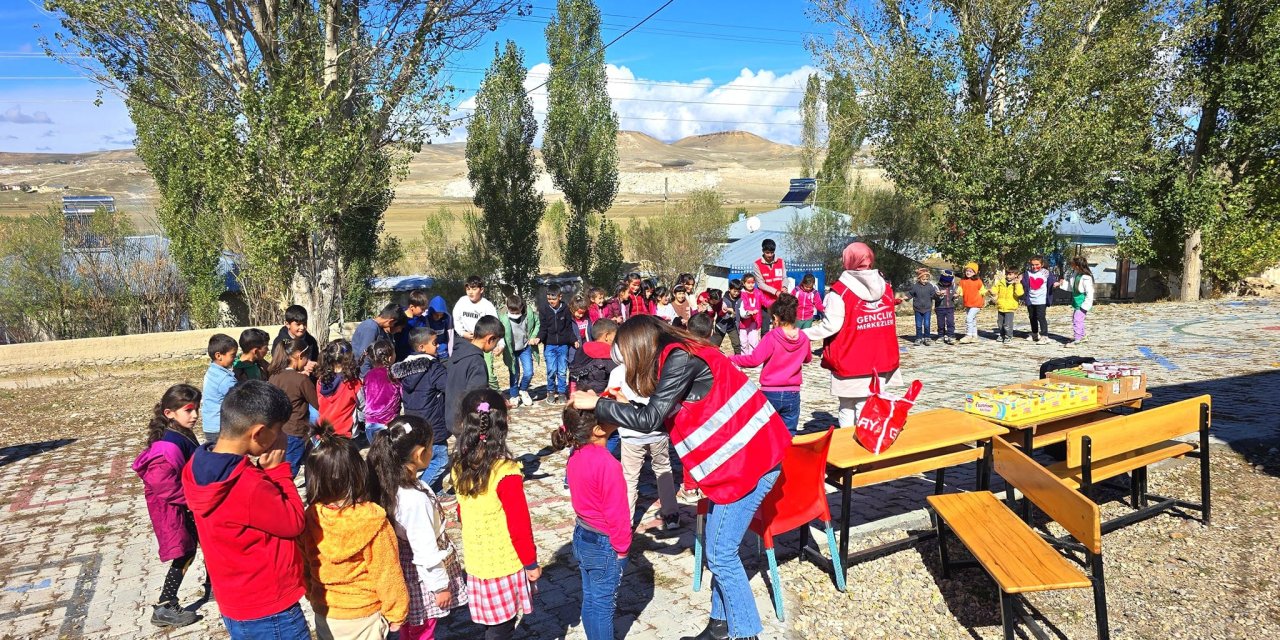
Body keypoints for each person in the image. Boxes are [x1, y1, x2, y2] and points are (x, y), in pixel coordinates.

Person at [569, 316, 790, 640]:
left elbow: (649, 420)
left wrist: (599, 404)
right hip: (736, 464)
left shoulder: (679, 358)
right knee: (718, 546)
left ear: (640, 348)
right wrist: (625, 404)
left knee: (720, 553)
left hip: (750, 463)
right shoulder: (674, 356)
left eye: (628, 359)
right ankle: (719, 626)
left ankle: (745, 633)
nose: (629, 368)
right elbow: (665, 420)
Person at [182, 381, 309, 640]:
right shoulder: (247, 484)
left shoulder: (197, 464)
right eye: (278, 431)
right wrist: (278, 471)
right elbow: (294, 522)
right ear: (259, 433)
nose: (281, 437)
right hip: (271, 608)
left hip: (236, 602)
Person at [301, 426, 408, 640]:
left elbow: (304, 563)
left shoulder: (310, 517)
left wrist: (311, 594)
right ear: (359, 473)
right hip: (365, 615)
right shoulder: (372, 519)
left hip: (327, 613)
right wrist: (397, 613)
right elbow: (387, 573)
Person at [367, 416, 469, 640]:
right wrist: (440, 586)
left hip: (406, 567)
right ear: (420, 453)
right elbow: (424, 549)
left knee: (412, 628)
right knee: (422, 630)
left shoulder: (389, 483)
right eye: (432, 446)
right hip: (420, 576)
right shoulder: (413, 499)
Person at [452, 389, 540, 640]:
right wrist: (531, 563)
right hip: (504, 563)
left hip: (477, 562)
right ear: (502, 424)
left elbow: (461, 510)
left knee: (492, 623)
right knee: (502, 628)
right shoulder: (506, 472)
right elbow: (519, 524)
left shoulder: (460, 464)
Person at [550, 407, 630, 640]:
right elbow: (618, 514)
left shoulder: (576, 454)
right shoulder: (608, 465)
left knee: (590, 598)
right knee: (604, 606)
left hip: (582, 535)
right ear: (597, 430)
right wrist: (622, 550)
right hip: (605, 543)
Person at [803, 242, 903, 425]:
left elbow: (830, 326)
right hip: (880, 358)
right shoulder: (886, 288)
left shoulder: (840, 292)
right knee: (866, 405)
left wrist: (802, 334)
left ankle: (849, 447)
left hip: (849, 357)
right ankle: (863, 441)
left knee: (847, 406)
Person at [134, 383, 203, 628]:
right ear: (169, 413)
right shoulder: (166, 447)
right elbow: (164, 485)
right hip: (172, 510)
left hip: (185, 505)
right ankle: (165, 605)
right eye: (189, 410)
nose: (195, 415)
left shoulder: (181, 432)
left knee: (202, 543)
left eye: (197, 409)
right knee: (184, 552)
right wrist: (195, 500)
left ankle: (215, 585)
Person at [605, 351, 679, 531]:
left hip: (631, 432)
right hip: (657, 429)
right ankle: (671, 515)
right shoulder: (658, 369)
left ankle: (626, 521)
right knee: (663, 469)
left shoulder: (618, 372)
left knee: (629, 477)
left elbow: (610, 398)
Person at [729, 293, 812, 436]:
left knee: (766, 432)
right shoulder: (804, 338)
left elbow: (754, 360)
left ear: (775, 318)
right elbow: (807, 359)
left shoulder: (772, 337)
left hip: (770, 392)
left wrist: (732, 358)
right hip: (793, 393)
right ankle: (787, 457)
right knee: (789, 432)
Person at [391, 329, 450, 492]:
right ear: (422, 347)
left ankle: (436, 491)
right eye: (434, 343)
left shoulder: (405, 370)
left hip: (414, 420)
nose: (438, 346)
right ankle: (418, 490)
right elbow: (448, 387)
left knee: (429, 458)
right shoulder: (433, 368)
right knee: (441, 460)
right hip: (433, 422)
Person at [268, 336, 320, 478]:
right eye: (306, 358)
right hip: (295, 430)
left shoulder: (274, 376)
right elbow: (317, 403)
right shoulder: (301, 380)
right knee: (291, 469)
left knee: (279, 466)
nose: (307, 362)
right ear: (299, 356)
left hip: (277, 430)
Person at [445, 316, 502, 440]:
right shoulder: (477, 362)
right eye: (496, 342)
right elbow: (476, 397)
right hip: (466, 422)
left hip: (451, 416)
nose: (494, 347)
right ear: (490, 338)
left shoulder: (457, 352)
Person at [453, 276, 505, 390]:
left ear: (481, 289)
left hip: (484, 343)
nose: (470, 292)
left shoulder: (487, 306)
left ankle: (497, 395)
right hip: (466, 342)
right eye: (468, 289)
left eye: (474, 289)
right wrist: (462, 333)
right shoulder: (462, 302)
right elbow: (456, 320)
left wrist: (501, 344)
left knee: (489, 375)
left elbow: (495, 325)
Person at [538, 284, 577, 406]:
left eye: (553, 299)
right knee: (551, 370)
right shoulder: (544, 309)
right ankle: (550, 391)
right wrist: (539, 338)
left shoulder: (566, 310)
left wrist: (574, 340)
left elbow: (569, 328)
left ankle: (561, 392)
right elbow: (543, 328)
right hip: (549, 345)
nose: (551, 301)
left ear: (560, 297)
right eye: (549, 299)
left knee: (561, 371)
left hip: (563, 346)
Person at [501, 295, 540, 409]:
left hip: (524, 347)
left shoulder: (528, 315)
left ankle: (523, 390)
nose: (514, 314)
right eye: (511, 311)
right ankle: (514, 395)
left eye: (516, 311)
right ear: (507, 308)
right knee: (514, 373)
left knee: (529, 372)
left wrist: (533, 337)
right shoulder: (503, 317)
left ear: (521, 307)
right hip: (511, 350)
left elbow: (537, 324)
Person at [318, 339, 362, 439]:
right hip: (345, 432)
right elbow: (363, 406)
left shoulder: (320, 381)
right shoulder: (353, 383)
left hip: (323, 431)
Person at [201, 333, 238, 445]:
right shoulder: (225, 379)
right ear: (219, 356)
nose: (235, 358)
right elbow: (239, 398)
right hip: (221, 428)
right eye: (232, 355)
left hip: (210, 425)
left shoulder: (212, 371)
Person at [361, 340, 400, 444]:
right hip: (388, 423)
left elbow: (365, 396)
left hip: (370, 423)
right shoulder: (393, 374)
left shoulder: (367, 376)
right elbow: (403, 394)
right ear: (390, 357)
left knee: (377, 455)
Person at [353, 304, 408, 377]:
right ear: (391, 321)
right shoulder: (371, 328)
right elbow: (364, 355)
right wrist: (366, 377)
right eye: (399, 327)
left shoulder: (380, 329)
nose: (400, 331)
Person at [750, 238, 786, 334]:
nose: (770, 255)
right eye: (767, 253)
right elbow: (760, 284)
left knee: (779, 326)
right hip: (765, 302)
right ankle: (765, 347)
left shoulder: (781, 261)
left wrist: (785, 287)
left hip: (779, 301)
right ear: (763, 251)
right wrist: (775, 291)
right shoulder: (757, 264)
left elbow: (784, 278)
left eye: (772, 252)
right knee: (765, 329)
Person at [1058, 256, 1095, 347]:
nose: (1072, 266)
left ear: (1078, 266)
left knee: (1077, 320)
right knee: (1077, 319)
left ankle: (1077, 339)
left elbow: (1090, 292)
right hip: (1076, 301)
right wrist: (1062, 284)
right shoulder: (1076, 275)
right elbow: (1072, 287)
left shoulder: (1086, 277)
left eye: (1073, 265)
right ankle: (1082, 336)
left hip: (1082, 302)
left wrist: (1086, 305)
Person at [1022, 256, 1056, 344]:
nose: (1034, 267)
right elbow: (1025, 284)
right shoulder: (1027, 273)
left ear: (1042, 264)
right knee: (1032, 317)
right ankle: (1035, 333)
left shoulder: (1046, 273)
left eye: (1037, 264)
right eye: (1032, 265)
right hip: (1030, 299)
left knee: (1041, 317)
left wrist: (1055, 284)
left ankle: (1044, 336)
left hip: (1041, 300)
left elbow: (1052, 281)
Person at [698, 288, 742, 355]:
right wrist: (702, 308)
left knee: (736, 343)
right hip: (701, 321)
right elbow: (696, 308)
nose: (717, 303)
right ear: (710, 298)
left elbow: (719, 313)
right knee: (704, 340)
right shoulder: (703, 297)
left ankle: (738, 358)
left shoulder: (720, 301)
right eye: (715, 302)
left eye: (718, 301)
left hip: (714, 322)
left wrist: (724, 311)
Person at [957, 262, 988, 344]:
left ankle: (968, 336)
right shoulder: (962, 281)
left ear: (975, 272)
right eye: (967, 271)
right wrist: (957, 293)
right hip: (968, 303)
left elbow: (982, 290)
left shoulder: (978, 281)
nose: (968, 272)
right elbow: (960, 290)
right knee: (973, 320)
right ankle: (975, 336)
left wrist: (988, 293)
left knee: (969, 318)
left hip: (977, 303)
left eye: (971, 271)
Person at [992, 267, 1025, 343]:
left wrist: (1017, 284)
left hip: (1010, 307)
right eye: (1007, 274)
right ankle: (1002, 334)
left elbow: (1019, 293)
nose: (1008, 276)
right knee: (1000, 323)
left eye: (1010, 274)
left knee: (1007, 324)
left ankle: (1008, 336)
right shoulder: (1001, 282)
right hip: (1001, 306)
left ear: (1016, 275)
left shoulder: (1017, 284)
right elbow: (995, 289)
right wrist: (992, 291)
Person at [905, 268, 937, 346]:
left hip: (927, 308)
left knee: (927, 324)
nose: (925, 281)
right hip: (918, 309)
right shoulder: (915, 286)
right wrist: (906, 298)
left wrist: (938, 295)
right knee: (918, 324)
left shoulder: (930, 286)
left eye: (927, 279)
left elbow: (933, 295)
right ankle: (918, 338)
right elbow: (910, 294)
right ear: (919, 278)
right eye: (923, 279)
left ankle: (927, 338)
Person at [737, 274, 764, 356]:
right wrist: (749, 312)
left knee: (754, 341)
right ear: (743, 283)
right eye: (748, 282)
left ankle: (753, 358)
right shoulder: (741, 293)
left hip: (754, 321)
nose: (751, 284)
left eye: (753, 282)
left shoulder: (758, 292)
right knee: (743, 341)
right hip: (743, 323)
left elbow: (765, 301)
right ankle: (744, 357)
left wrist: (775, 303)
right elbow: (743, 306)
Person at [425, 296, 455, 360]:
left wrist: (451, 354)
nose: (439, 317)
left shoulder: (447, 319)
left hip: (444, 353)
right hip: (431, 354)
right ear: (431, 312)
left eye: (441, 315)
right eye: (436, 315)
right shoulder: (426, 320)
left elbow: (450, 337)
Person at [934, 270, 959, 344]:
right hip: (940, 308)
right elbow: (935, 298)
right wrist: (939, 295)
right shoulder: (936, 286)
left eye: (948, 282)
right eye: (945, 282)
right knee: (940, 323)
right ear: (941, 280)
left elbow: (955, 296)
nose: (947, 283)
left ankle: (951, 336)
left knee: (950, 322)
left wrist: (956, 297)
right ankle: (941, 336)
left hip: (950, 307)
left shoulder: (953, 285)